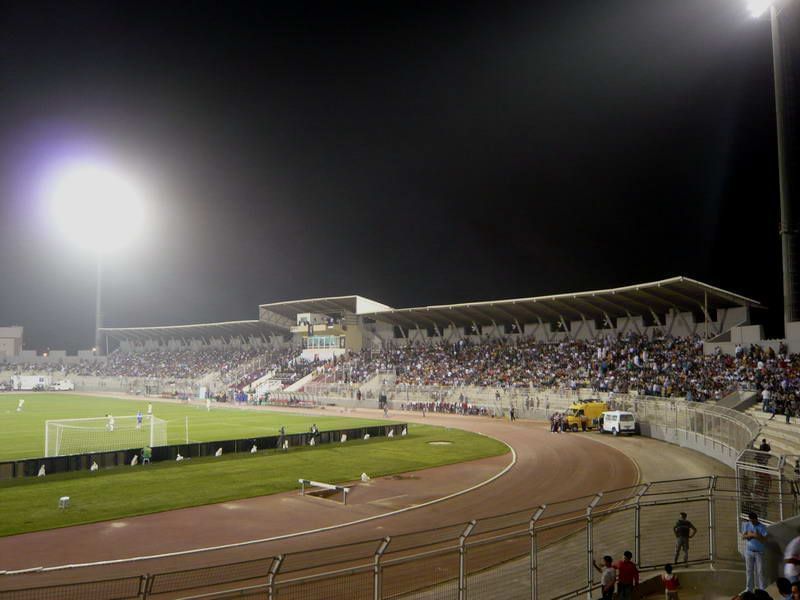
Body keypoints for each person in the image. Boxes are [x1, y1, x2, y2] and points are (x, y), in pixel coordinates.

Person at [742, 512, 768, 592]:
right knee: (749, 570)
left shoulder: (762, 527)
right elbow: (743, 536)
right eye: (750, 521)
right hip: (749, 551)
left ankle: (762, 589)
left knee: (760, 571)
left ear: (756, 519)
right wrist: (752, 535)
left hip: (759, 552)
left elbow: (765, 539)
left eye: (753, 521)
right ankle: (749, 588)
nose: (751, 522)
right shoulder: (747, 525)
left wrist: (757, 536)